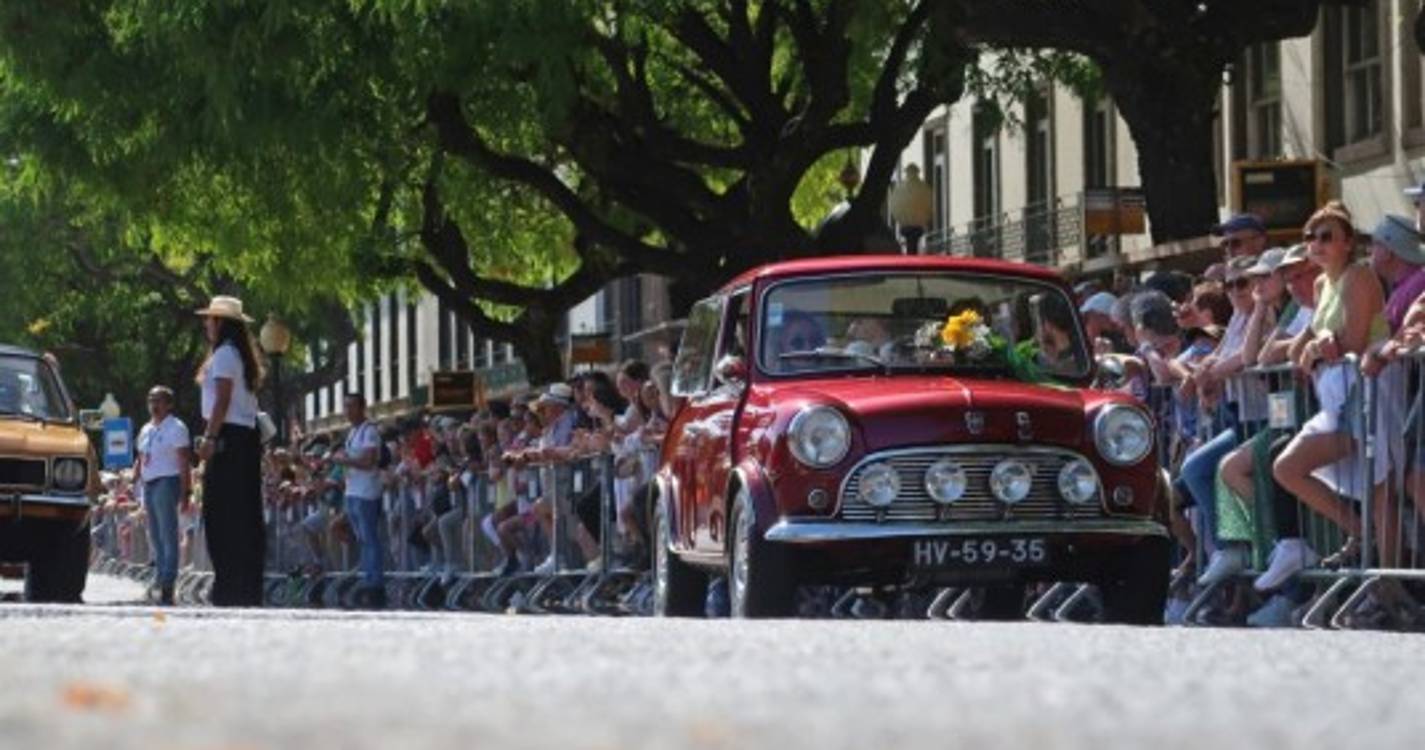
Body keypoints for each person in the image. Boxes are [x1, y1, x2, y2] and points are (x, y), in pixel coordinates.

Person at [1274, 201, 1388, 567]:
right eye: (1310, 237)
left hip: (1372, 390)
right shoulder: (1321, 283)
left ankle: (1388, 578)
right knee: (1286, 467)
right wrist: (1313, 342)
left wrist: (1320, 345)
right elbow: (1299, 350)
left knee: (1381, 489)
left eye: (1326, 237)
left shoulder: (1360, 276)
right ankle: (1361, 534)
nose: (1316, 244)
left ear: (1348, 243)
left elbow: (1353, 342)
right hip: (1336, 400)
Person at [193, 295, 266, 607]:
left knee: (221, 514)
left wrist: (209, 438)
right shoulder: (240, 355)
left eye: (210, 319)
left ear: (220, 322)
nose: (206, 325)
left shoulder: (224, 354)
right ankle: (244, 585)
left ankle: (229, 585)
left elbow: (222, 400)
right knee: (243, 514)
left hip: (228, 437)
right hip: (244, 439)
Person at [134, 385, 191, 606]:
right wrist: (136, 478)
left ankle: (168, 582)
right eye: (151, 400)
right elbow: (141, 456)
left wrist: (185, 491)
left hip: (167, 481)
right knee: (155, 535)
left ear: (169, 404)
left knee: (168, 534)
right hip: (149, 483)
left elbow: (184, 461)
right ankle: (159, 577)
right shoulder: (146, 428)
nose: (154, 405)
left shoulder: (176, 428)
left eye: (158, 401)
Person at [331, 393, 385, 608]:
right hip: (352, 491)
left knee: (370, 537)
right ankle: (367, 575)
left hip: (366, 492)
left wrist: (346, 461)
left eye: (351, 406)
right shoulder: (352, 433)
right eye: (345, 407)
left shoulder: (369, 431)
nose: (348, 411)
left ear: (362, 408)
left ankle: (375, 581)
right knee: (362, 538)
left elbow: (369, 460)